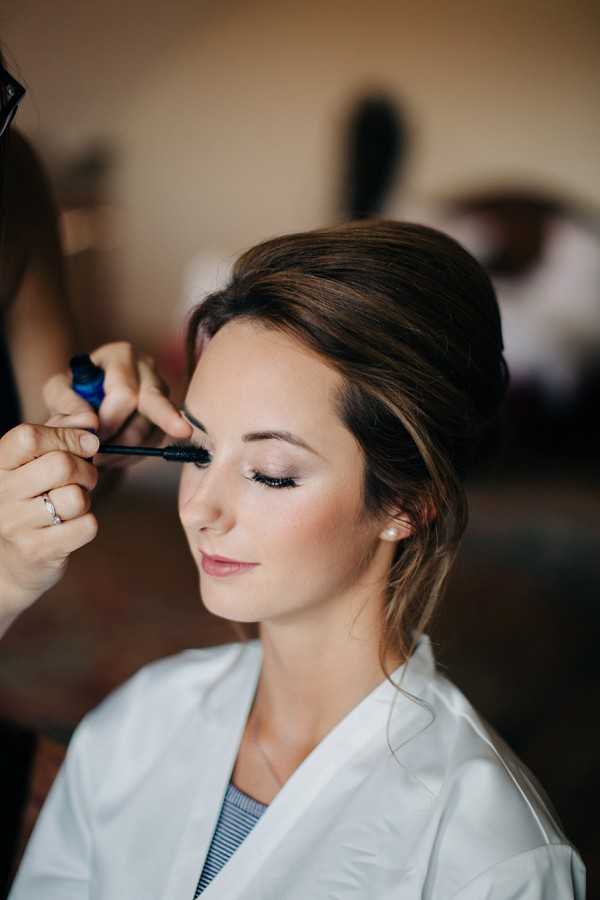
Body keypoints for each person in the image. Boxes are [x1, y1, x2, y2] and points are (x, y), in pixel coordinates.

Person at [9, 221, 585, 898]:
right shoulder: (134, 724)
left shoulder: (493, 860)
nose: (200, 509)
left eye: (272, 473)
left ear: (408, 502)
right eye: (195, 453)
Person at [0, 56, 193, 640]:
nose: (200, 513)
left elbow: (54, 476)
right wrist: (7, 577)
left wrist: (93, 447)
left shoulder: (10, 184)